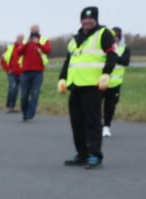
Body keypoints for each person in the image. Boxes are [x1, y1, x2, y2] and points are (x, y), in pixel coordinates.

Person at [59, 6, 118, 169]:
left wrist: (106, 73)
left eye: (91, 18)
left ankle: (95, 154)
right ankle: (82, 154)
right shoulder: (75, 38)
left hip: (92, 85)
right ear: (81, 20)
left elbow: (112, 55)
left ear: (96, 19)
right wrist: (62, 78)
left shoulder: (104, 34)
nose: (87, 21)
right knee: (76, 122)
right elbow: (68, 61)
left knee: (92, 122)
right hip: (75, 85)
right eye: (84, 18)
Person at [17, 23, 52, 121]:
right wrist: (27, 43)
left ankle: (30, 113)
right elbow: (18, 52)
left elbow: (48, 50)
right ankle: (24, 112)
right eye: (32, 30)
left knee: (35, 93)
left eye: (36, 30)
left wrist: (38, 43)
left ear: (39, 30)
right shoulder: (25, 41)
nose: (34, 31)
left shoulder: (44, 40)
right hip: (25, 71)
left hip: (38, 71)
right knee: (24, 94)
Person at [102, 26, 130, 138]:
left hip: (115, 83)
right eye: (113, 36)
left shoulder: (124, 49)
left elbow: (125, 61)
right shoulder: (104, 47)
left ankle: (106, 127)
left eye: (117, 36)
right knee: (94, 104)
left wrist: (113, 56)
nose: (115, 39)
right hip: (101, 81)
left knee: (110, 106)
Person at [0, 34, 24, 112]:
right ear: (16, 39)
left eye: (22, 38)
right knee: (13, 88)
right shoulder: (10, 48)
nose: (20, 40)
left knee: (22, 90)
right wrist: (7, 69)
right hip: (12, 72)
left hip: (22, 72)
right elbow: (2, 60)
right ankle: (10, 106)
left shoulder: (25, 47)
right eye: (19, 38)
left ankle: (23, 106)